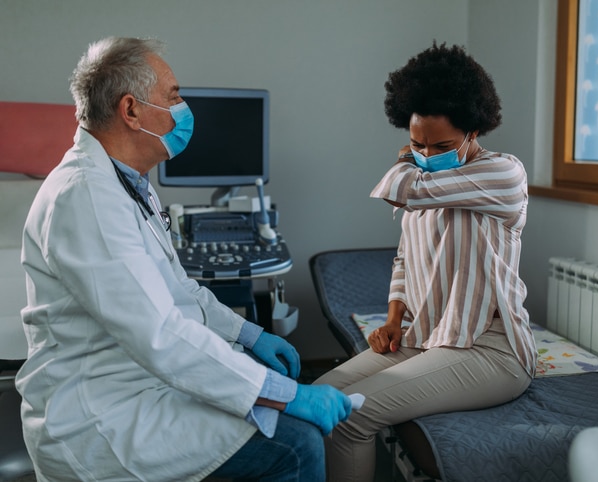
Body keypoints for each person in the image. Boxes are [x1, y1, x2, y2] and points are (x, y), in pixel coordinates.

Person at [16, 36, 351, 482]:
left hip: (136, 384)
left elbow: (177, 290)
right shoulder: (86, 197)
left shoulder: (127, 184)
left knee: (259, 399)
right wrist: (284, 395)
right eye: (173, 96)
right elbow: (160, 333)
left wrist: (249, 334)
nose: (184, 107)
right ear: (131, 110)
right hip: (98, 416)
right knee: (295, 444)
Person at [314, 42, 538, 481]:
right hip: (425, 335)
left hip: (489, 349)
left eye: (443, 145)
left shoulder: (503, 174)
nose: (429, 156)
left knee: (352, 417)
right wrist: (395, 317)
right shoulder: (428, 181)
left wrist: (404, 158)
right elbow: (404, 257)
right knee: (319, 398)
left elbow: (404, 188)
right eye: (418, 144)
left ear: (474, 131)